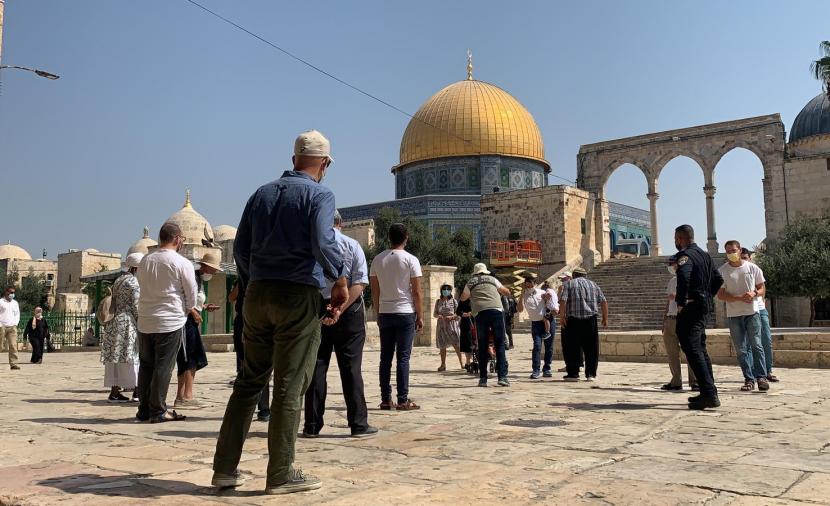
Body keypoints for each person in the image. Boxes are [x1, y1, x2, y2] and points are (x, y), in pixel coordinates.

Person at [213, 130, 348, 495]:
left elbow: (241, 249)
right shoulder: (320, 194)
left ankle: (225, 468)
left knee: (249, 382)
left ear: (293, 160)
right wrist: (339, 276)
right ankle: (281, 472)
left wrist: (252, 282)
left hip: (257, 295)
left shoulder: (262, 193)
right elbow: (322, 242)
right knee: (289, 386)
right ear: (325, 164)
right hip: (297, 294)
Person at [303, 210, 375, 438]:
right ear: (340, 224)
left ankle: (312, 425)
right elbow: (360, 282)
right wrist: (340, 309)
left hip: (317, 309)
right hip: (349, 311)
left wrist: (328, 309)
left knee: (316, 368)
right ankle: (358, 425)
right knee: (351, 369)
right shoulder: (352, 245)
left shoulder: (310, 246)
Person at [136, 222, 199, 424]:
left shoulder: (145, 261)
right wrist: (187, 309)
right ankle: (158, 410)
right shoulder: (181, 263)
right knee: (163, 366)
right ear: (177, 238)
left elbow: (141, 285)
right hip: (170, 321)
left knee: (146, 366)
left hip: (145, 320)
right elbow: (191, 296)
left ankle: (144, 409)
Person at [370, 223, 423, 411]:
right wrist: (420, 315)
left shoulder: (377, 259)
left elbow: (375, 292)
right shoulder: (411, 260)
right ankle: (402, 399)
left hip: (385, 311)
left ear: (389, 238)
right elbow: (416, 292)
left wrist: (378, 313)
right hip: (405, 312)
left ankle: (386, 398)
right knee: (403, 357)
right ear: (406, 238)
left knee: (385, 358)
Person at [673, 224, 724, 410]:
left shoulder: (685, 256)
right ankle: (708, 391)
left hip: (691, 308)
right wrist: (706, 295)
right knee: (700, 349)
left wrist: (681, 302)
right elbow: (718, 279)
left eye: (676, 238)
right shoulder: (705, 255)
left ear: (680, 238)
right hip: (703, 307)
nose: (675, 242)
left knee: (693, 349)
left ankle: (709, 394)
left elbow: (684, 278)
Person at [717, 240, 768, 393]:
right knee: (741, 349)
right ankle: (749, 378)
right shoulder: (722, 271)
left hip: (752, 312)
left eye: (733, 250)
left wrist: (754, 293)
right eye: (728, 251)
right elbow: (720, 294)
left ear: (740, 250)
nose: (731, 253)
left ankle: (762, 377)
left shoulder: (752, 268)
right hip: (734, 315)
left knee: (756, 345)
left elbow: (761, 288)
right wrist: (738, 298)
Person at [174, 251, 222, 408]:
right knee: (187, 358)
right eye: (213, 270)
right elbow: (183, 299)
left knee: (194, 357)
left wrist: (204, 307)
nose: (214, 273)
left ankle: (186, 395)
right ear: (206, 267)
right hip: (186, 321)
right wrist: (194, 312)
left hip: (192, 321)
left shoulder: (200, 280)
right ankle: (183, 397)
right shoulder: (192, 278)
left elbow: (195, 301)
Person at [460, 262, 512, 387]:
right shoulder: (493, 279)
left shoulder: (471, 282)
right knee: (499, 344)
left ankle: (483, 378)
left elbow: (463, 297)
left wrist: (473, 296)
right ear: (485, 271)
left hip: (480, 313)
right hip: (496, 311)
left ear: (475, 272)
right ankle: (502, 377)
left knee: (482, 345)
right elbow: (507, 292)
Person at [100, 252, 143, 402]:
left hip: (114, 322)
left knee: (116, 358)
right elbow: (136, 306)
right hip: (127, 322)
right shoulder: (134, 282)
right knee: (132, 355)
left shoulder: (118, 280)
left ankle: (114, 392)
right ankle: (137, 391)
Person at [229, 279, 271, 422]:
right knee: (245, 367)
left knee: (259, 365)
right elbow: (231, 297)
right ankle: (249, 407)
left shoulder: (261, 278)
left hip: (257, 320)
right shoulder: (242, 279)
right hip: (244, 319)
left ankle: (263, 409)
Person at [558, 267, 607, 382]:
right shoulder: (593, 285)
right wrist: (605, 318)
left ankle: (573, 374)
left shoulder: (569, 285)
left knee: (571, 347)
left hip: (573, 320)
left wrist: (562, 317)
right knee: (591, 348)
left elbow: (563, 301)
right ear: (585, 275)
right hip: (590, 320)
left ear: (574, 275)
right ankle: (591, 374)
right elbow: (604, 301)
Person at [661, 255, 697, 391]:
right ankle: (676, 381)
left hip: (685, 317)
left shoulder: (691, 279)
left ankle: (694, 381)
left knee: (690, 351)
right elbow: (668, 302)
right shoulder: (672, 280)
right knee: (672, 352)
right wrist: (664, 319)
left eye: (673, 263)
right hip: (671, 319)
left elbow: (694, 298)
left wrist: (677, 297)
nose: (671, 266)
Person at [742, 248, 777, 383]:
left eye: (746, 257)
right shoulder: (736, 271)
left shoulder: (755, 269)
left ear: (750, 258)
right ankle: (752, 373)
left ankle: (767, 371)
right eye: (742, 257)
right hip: (745, 311)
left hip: (760, 309)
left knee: (766, 340)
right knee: (749, 344)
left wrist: (761, 299)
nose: (744, 259)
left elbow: (762, 287)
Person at [518, 276, 553, 379]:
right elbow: (520, 310)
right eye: (527, 283)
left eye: (530, 283)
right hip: (536, 323)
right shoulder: (524, 295)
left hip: (547, 321)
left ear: (534, 283)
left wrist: (547, 299)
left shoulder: (541, 292)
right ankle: (536, 370)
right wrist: (521, 295)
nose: (529, 285)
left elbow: (551, 303)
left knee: (548, 346)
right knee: (537, 346)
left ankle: (547, 368)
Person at [434, 283, 462, 371]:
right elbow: (435, 313)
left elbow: (459, 314)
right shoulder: (438, 301)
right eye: (444, 289)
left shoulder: (454, 301)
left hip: (452, 325)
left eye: (447, 289)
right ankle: (443, 364)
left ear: (450, 291)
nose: (446, 291)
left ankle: (462, 363)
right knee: (442, 346)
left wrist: (452, 317)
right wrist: (438, 316)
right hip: (441, 326)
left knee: (456, 344)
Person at [0, 286, 21, 370]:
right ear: (6, 292)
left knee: (13, 345)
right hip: (2, 326)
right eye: (11, 292)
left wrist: (15, 323)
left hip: (12, 327)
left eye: (13, 293)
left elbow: (17, 314)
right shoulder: (1, 302)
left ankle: (13, 363)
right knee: (0, 346)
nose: (12, 294)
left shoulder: (15, 303)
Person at [456, 296, 474, 371]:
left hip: (478, 321)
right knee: (467, 342)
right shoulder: (463, 300)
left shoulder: (479, 297)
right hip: (466, 323)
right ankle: (468, 361)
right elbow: (458, 311)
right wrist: (464, 314)